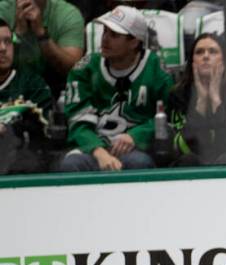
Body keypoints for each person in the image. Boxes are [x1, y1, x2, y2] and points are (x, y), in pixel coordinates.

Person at [58, 6, 172, 172]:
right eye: (104, 32)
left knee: (139, 164)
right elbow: (77, 121)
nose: (104, 39)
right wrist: (99, 151)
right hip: (94, 147)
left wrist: (136, 136)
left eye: (114, 35)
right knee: (71, 164)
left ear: (134, 42)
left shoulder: (157, 70)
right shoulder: (85, 69)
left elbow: (169, 118)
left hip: (136, 149)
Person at [167, 32, 226, 166]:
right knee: (188, 160)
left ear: (225, 60)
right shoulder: (178, 94)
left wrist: (216, 101)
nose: (206, 56)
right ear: (192, 61)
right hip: (191, 166)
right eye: (199, 52)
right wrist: (200, 104)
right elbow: (181, 147)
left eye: (213, 51)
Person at [0, 16, 52, 174]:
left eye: (8, 42)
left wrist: (9, 127)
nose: (2, 48)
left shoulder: (32, 83)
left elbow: (45, 128)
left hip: (19, 164)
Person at [0, 0, 83, 95]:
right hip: (7, 90)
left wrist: (41, 34)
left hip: (55, 90)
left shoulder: (67, 14)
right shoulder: (3, 10)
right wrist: (18, 35)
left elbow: (74, 71)